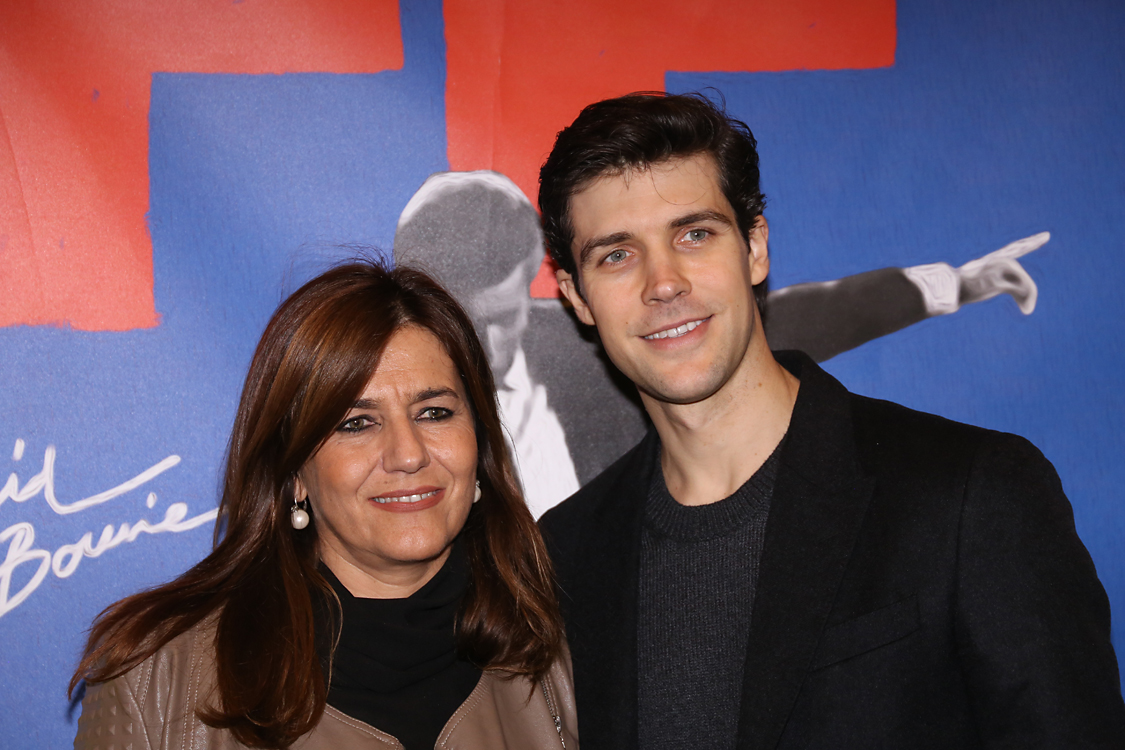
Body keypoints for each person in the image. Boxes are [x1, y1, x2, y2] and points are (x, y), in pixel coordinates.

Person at [536, 92, 1125, 749]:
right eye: (615, 255)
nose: (662, 282)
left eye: (693, 234)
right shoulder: (565, 553)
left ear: (754, 248)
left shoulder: (971, 495)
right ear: (574, 297)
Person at [71, 261, 577, 749]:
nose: (408, 454)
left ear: (479, 441)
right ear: (294, 473)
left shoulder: (570, 637)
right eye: (356, 423)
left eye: (434, 412)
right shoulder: (158, 682)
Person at [394, 171, 1047, 509]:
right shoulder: (372, 402)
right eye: (470, 322)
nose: (495, 340)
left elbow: (786, 322)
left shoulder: (589, 348)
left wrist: (952, 286)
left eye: (509, 314)